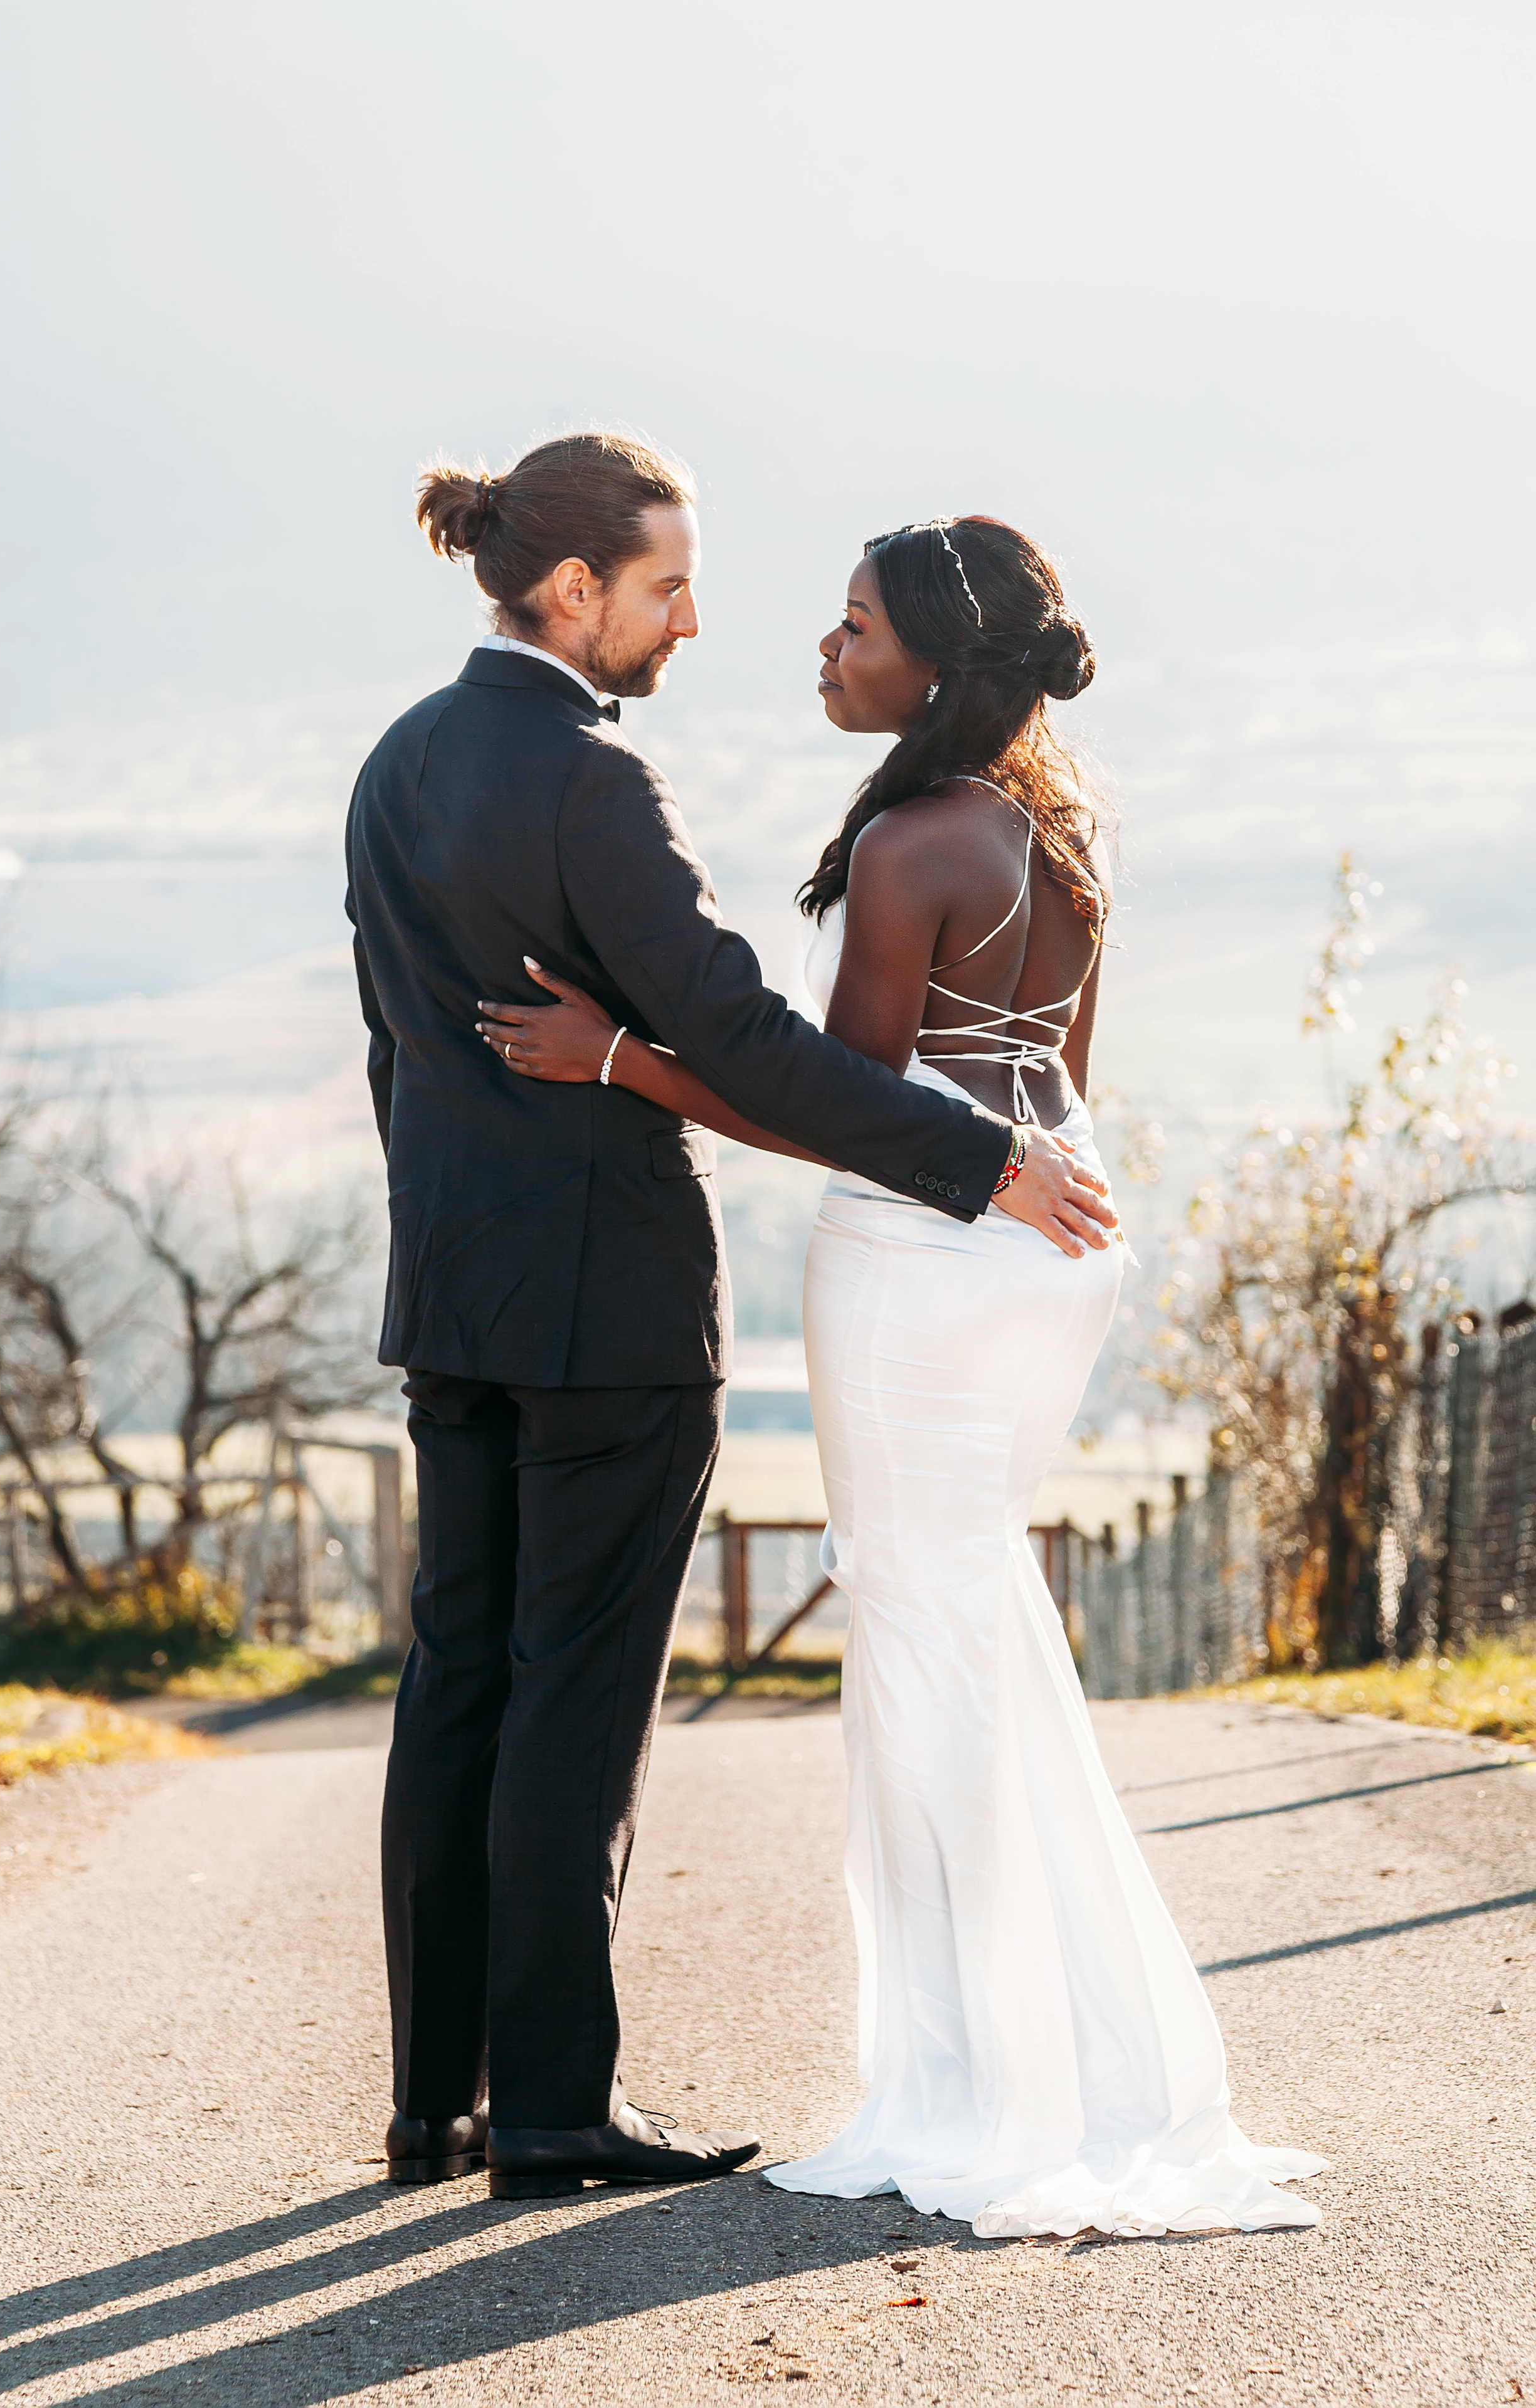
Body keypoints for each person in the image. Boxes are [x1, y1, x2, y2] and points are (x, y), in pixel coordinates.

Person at [479, 514, 1327, 2239]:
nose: (821, 646)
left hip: (924, 1270)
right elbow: (1051, 1084)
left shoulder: (909, 847)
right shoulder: (1055, 833)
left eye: (851, 625)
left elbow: (839, 1110)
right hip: (1045, 1254)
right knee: (975, 1617)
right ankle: (1070, 2068)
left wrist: (616, 1059)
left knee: (929, 1638)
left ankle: (982, 2089)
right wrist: (1005, 1178)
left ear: (930, 663)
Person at [344, 437, 1118, 2203]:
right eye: (667, 587)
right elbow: (753, 1041)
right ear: (571, 592)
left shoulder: (399, 763)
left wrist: (451, 1232)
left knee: (455, 1675)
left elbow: (397, 1046)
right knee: (574, 1698)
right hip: (607, 1304)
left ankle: (432, 2097)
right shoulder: (591, 785)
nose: (694, 624)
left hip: (453, 1291)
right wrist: (979, 1158)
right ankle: (548, 2106)